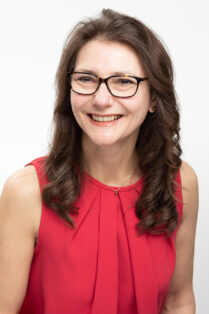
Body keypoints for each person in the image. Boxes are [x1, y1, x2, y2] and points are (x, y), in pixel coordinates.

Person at [0, 8, 198, 314]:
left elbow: (178, 301)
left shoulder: (180, 183)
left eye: (123, 81)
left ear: (154, 99)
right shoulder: (25, 192)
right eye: (86, 78)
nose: (102, 99)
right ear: (69, 90)